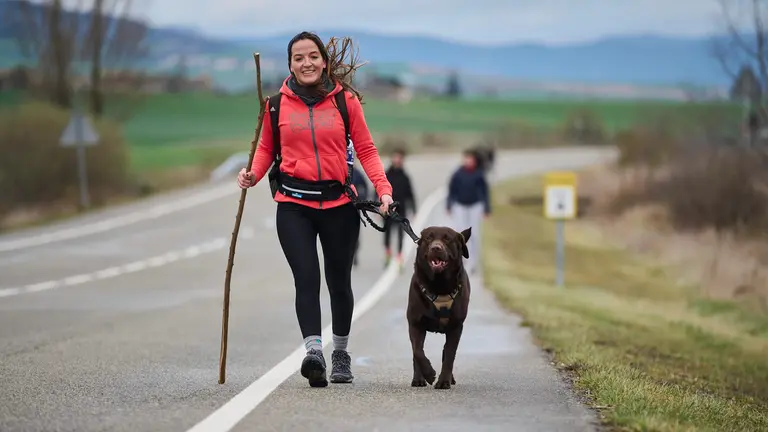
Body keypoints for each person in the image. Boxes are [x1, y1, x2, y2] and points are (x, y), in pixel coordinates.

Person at [237, 31, 394, 388]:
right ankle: (314, 353)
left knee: (339, 282)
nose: (306, 63)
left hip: (340, 205)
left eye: (312, 56)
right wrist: (252, 174)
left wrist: (384, 191)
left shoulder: (345, 102)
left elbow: (367, 151)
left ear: (324, 61)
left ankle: (340, 353)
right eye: (298, 58)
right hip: (294, 205)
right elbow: (265, 150)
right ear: (290, 64)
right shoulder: (276, 104)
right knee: (306, 279)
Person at [446, 149, 490, 274]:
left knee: (474, 234)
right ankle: (460, 260)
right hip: (460, 205)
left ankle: (473, 262)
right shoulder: (458, 174)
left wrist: (486, 208)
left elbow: (484, 192)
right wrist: (449, 205)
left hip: (475, 206)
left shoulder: (479, 174)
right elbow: (452, 190)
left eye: (471, 159)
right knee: (460, 234)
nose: (468, 161)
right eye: (466, 159)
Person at [382, 148, 416, 268]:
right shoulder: (386, 174)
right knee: (387, 232)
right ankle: (388, 253)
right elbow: (377, 189)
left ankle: (400, 257)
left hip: (401, 208)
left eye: (399, 158)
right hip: (388, 207)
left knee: (401, 234)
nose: (397, 160)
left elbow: (410, 194)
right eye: (395, 157)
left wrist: (414, 209)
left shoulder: (405, 176)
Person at [350, 164, 370, 268]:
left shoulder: (357, 174)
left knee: (355, 234)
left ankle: (355, 254)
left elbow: (365, 186)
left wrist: (363, 200)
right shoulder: (339, 170)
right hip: (340, 207)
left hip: (355, 208)